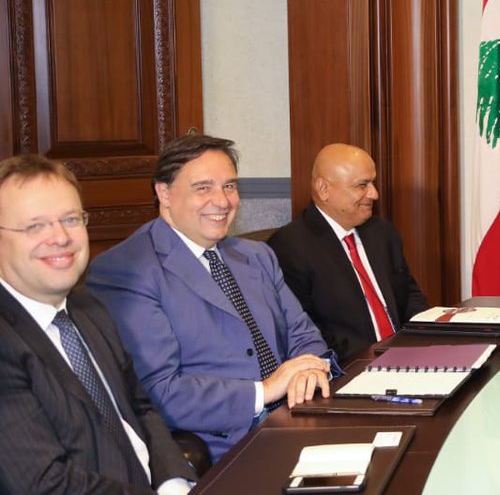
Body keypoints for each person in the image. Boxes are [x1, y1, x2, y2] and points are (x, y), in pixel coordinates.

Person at [87, 135, 337, 462]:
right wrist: (264, 391)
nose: (222, 201)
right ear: (164, 193)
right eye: (203, 188)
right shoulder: (129, 269)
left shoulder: (257, 255)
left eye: (229, 186)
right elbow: (160, 392)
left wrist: (310, 370)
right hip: (225, 448)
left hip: (300, 420)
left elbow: (304, 336)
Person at [0, 154, 195, 494]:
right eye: (35, 226)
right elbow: (43, 485)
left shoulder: (89, 309)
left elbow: (140, 408)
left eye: (70, 219)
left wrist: (174, 484)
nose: (60, 237)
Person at [268, 143, 429, 360]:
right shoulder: (290, 247)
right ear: (324, 189)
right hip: (349, 366)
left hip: (407, 358)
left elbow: (409, 297)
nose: (374, 194)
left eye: (372, 183)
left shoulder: (382, 233)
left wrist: (426, 338)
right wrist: (374, 359)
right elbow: (305, 332)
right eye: (362, 185)